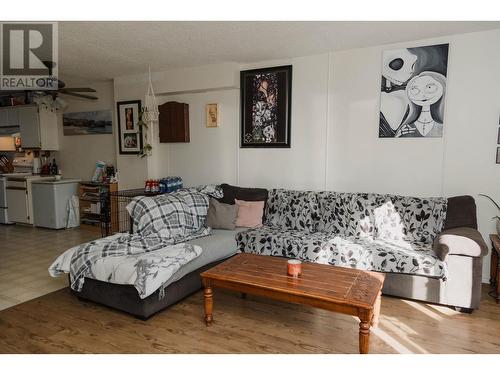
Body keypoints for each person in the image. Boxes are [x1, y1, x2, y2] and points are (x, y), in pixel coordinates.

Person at [397, 71, 446, 137]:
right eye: (414, 89)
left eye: (429, 87)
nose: (422, 95)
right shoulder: (406, 128)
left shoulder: (444, 128)